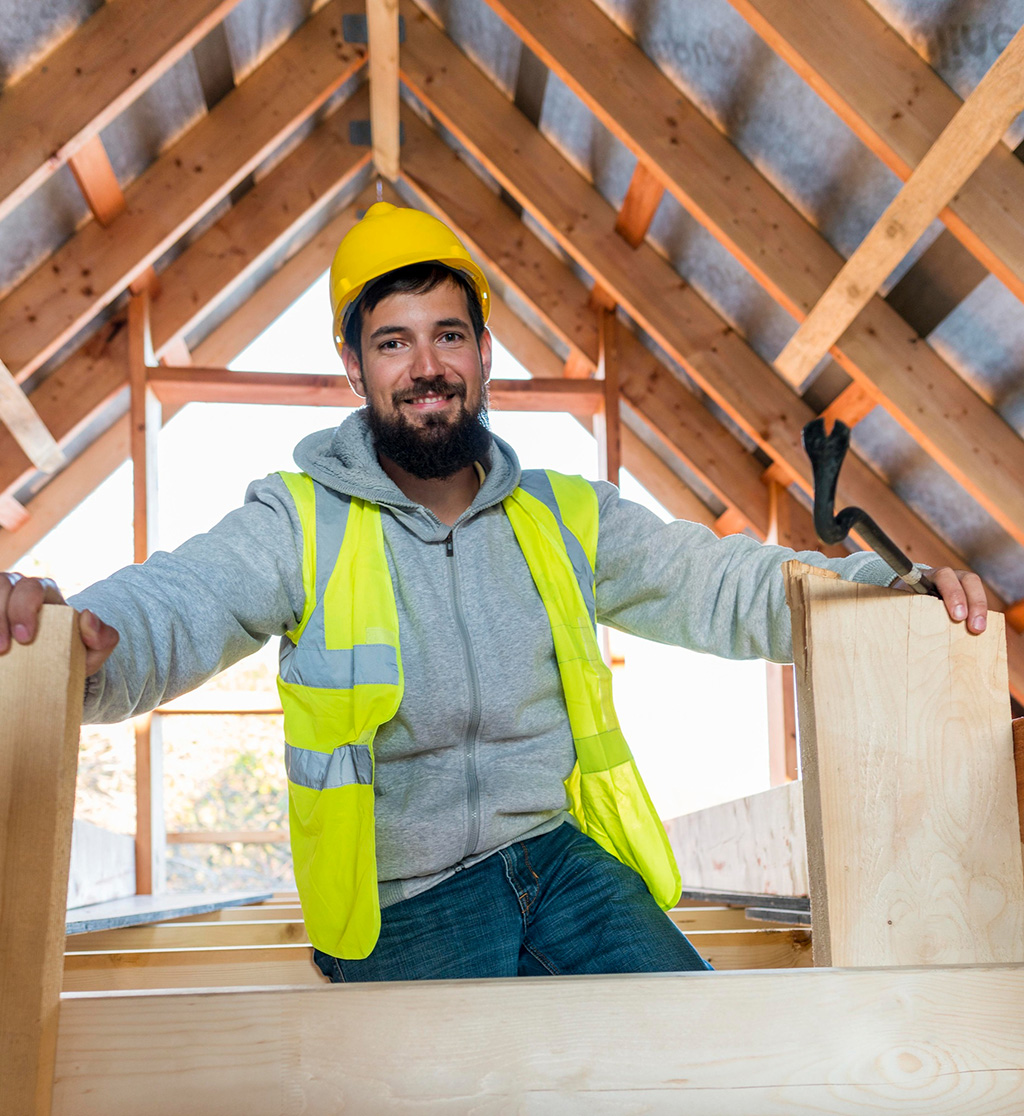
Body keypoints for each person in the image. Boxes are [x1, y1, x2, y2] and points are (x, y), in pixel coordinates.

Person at [0, 204, 989, 983]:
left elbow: (722, 582)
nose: (426, 368)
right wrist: (71, 638)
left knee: (697, 1057)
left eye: (448, 337)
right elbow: (178, 603)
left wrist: (883, 592)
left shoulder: (561, 517)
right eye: (393, 343)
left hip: (560, 865)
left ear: (483, 353)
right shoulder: (297, 523)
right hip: (404, 901)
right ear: (354, 366)